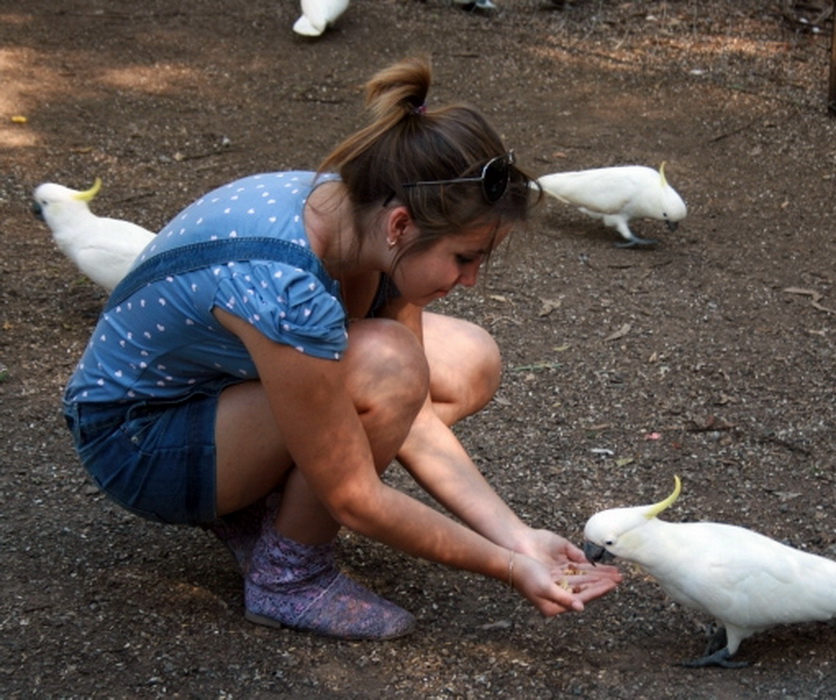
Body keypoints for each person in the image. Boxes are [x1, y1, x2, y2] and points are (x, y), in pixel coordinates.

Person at [62, 56, 621, 641]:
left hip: (217, 391)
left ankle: (270, 511)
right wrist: (507, 567)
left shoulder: (362, 212)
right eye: (465, 257)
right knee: (390, 363)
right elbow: (355, 497)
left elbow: (413, 415)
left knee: (467, 360)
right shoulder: (287, 286)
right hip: (138, 443)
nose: (472, 279)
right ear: (401, 226)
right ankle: (288, 576)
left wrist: (516, 533)